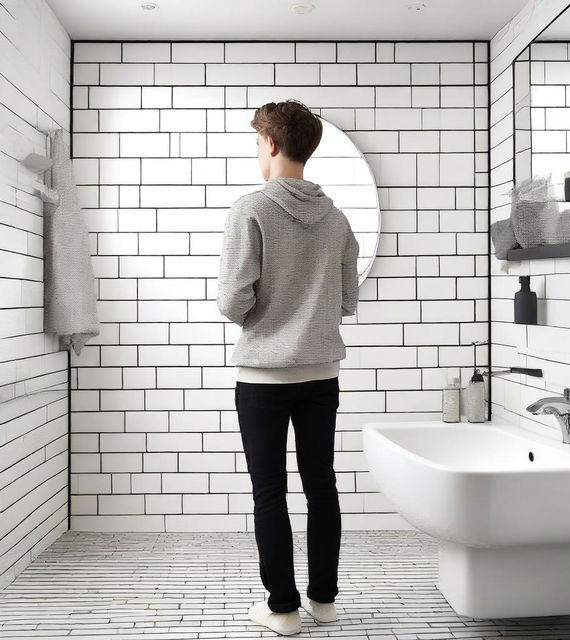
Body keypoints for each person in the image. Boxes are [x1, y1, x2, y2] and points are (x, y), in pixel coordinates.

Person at [216, 99, 360, 636]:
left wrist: (269, 314)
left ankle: (283, 611)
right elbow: (347, 299)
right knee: (321, 485)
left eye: (258, 142)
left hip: (263, 379)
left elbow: (232, 301)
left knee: (269, 493)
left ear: (272, 144)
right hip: (321, 375)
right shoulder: (338, 217)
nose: (258, 151)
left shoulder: (249, 209)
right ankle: (324, 601)